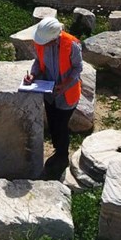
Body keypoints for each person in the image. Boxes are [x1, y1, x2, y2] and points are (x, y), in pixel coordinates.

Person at [22, 16, 83, 174]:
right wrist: (33, 75)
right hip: (49, 93)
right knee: (53, 124)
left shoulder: (71, 45)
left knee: (61, 127)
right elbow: (38, 61)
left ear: (55, 37)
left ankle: (62, 156)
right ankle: (57, 150)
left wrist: (65, 85)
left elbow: (77, 69)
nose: (43, 44)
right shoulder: (41, 42)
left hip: (67, 95)